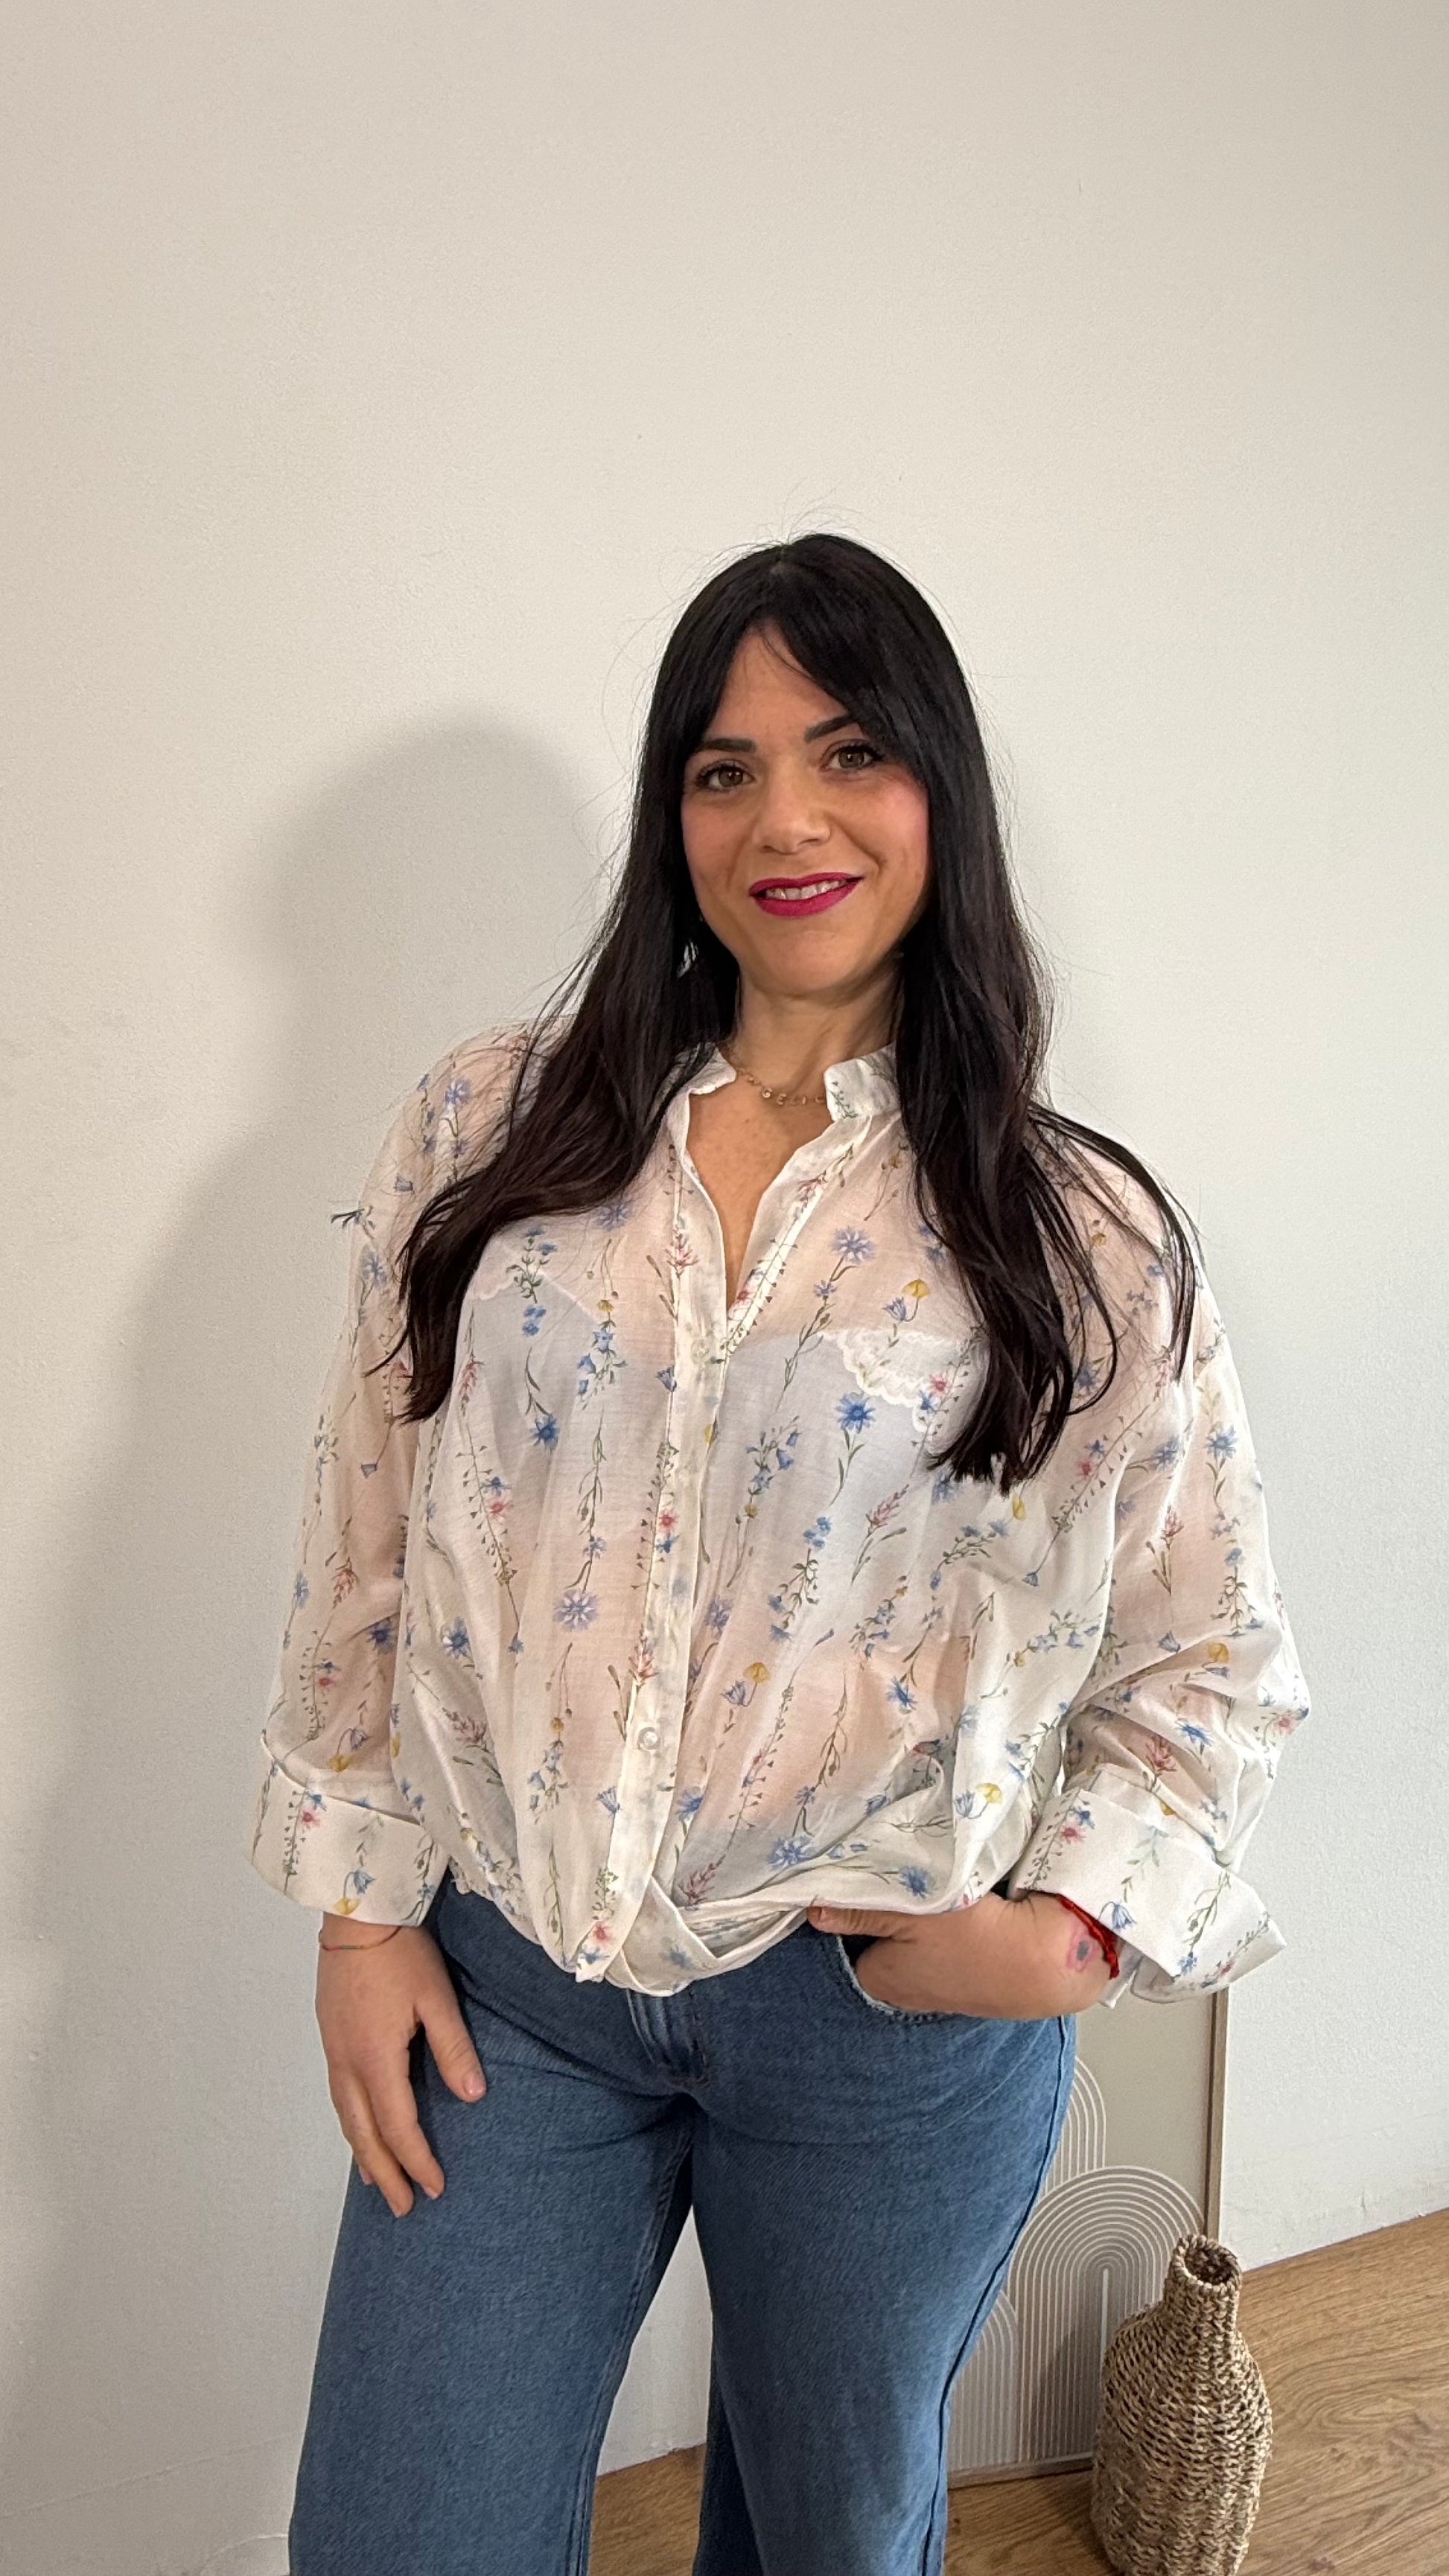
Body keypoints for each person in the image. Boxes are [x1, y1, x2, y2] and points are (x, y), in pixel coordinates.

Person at [247, 532, 1309, 2576]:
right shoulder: (489, 1132)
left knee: (831, 2538)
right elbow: (363, 1515)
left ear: (939, 791)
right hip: (516, 1984)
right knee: (400, 2529)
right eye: (723, 769)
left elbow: (1211, 1648)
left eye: (848, 754)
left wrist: (1073, 1931)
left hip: (884, 2021)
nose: (784, 821)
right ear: (673, 816)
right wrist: (359, 1919)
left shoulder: (1076, 1233)